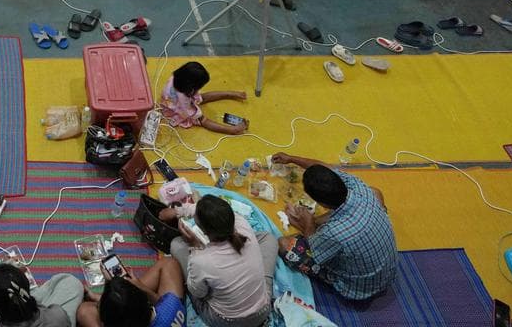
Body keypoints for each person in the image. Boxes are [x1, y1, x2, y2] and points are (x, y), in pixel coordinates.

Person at [271, 152, 397, 301]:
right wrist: (291, 158)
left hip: (359, 288)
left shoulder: (333, 232)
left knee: (284, 244)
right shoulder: (358, 186)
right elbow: (323, 167)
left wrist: (308, 223)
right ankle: (312, 222)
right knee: (375, 192)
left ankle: (333, 278)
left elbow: (314, 248)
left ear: (322, 204)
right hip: (388, 270)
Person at [170, 195, 277, 327]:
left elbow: (199, 293)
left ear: (203, 231)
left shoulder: (201, 259)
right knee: (268, 239)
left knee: (176, 245)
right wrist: (180, 211)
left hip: (228, 321)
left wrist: (195, 246)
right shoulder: (241, 223)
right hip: (263, 310)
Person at [0, 264, 84, 327]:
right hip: (47, 316)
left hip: (6, 312)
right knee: (71, 283)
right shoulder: (57, 316)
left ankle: (8, 299)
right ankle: (18, 298)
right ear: (26, 283)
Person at [76, 257, 187, 327]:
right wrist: (140, 285)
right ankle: (114, 299)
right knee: (168, 263)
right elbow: (160, 301)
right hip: (165, 313)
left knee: (85, 311)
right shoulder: (171, 303)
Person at [159, 61, 248, 134]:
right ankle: (233, 130)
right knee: (203, 120)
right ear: (191, 87)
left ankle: (230, 94)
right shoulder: (184, 100)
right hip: (176, 110)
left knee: (201, 97)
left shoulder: (176, 77)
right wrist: (197, 115)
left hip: (173, 101)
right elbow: (189, 111)